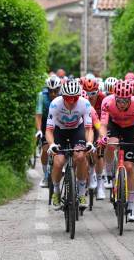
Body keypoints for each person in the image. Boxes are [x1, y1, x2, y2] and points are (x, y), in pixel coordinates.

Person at [99, 80, 134, 222]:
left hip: (130, 129)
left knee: (130, 167)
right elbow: (103, 125)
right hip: (114, 126)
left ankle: (131, 206)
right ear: (115, 97)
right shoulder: (107, 102)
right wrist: (103, 137)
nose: (121, 104)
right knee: (111, 144)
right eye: (119, 100)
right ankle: (108, 174)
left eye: (125, 101)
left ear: (130, 98)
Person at [46, 80, 95, 209]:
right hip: (59, 132)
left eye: (75, 98)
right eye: (68, 98)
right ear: (62, 96)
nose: (71, 101)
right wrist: (51, 144)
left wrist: (89, 142)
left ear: (79, 96)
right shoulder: (55, 104)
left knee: (80, 157)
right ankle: (56, 192)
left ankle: (81, 193)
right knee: (59, 161)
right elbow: (49, 130)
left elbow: (89, 128)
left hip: (76, 131)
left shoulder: (84, 103)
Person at [82, 77, 108, 200]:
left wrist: (103, 136)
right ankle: (90, 174)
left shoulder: (103, 99)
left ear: (98, 92)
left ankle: (100, 184)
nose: (90, 96)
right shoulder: (81, 101)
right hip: (85, 126)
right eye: (87, 93)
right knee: (84, 150)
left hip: (98, 125)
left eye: (93, 93)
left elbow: (101, 123)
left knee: (99, 153)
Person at [35, 75, 62, 187]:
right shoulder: (41, 96)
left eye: (55, 91)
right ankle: (46, 174)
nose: (53, 94)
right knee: (46, 149)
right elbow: (38, 115)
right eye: (51, 91)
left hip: (59, 124)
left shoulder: (62, 97)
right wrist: (39, 130)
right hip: (46, 124)